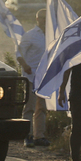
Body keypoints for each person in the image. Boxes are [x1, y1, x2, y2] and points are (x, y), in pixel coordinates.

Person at [17, 9, 50, 147]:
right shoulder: (30, 35)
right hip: (31, 76)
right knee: (29, 107)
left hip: (44, 77)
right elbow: (19, 53)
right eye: (42, 18)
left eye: (46, 18)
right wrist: (24, 65)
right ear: (37, 19)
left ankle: (39, 136)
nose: (44, 20)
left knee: (41, 108)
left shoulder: (50, 36)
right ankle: (27, 135)